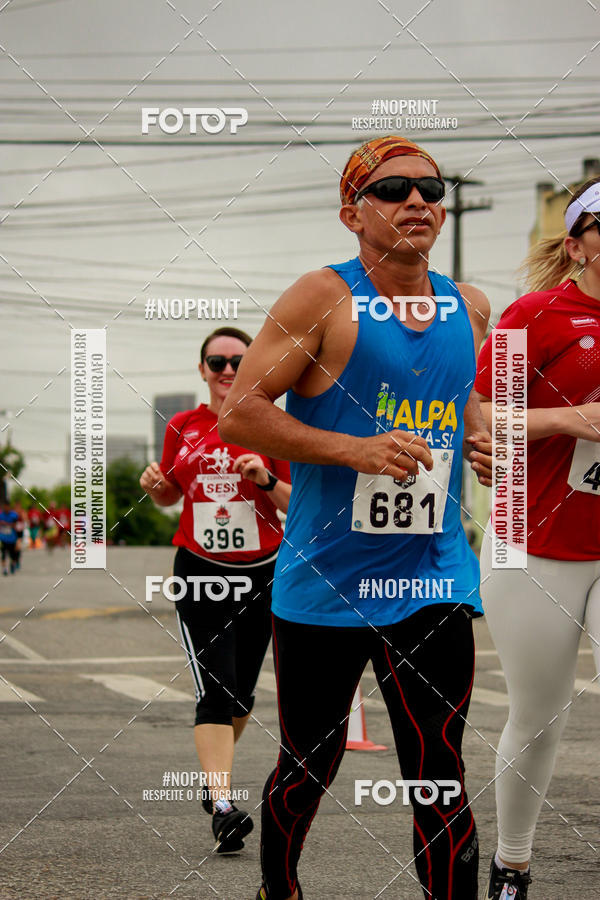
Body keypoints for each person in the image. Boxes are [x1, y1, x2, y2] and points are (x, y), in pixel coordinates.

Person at [219, 136, 492, 900]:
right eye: (394, 189)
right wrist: (353, 449)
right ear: (352, 212)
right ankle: (283, 890)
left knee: (440, 766)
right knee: (309, 762)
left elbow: (463, 407)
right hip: (326, 580)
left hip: (433, 576)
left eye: (431, 191)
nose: (418, 202)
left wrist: (483, 444)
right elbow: (239, 416)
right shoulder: (322, 296)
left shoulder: (469, 304)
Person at [474, 178, 600, 899]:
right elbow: (487, 422)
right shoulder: (536, 314)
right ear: (578, 242)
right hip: (534, 542)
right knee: (538, 717)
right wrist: (570, 421)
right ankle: (512, 867)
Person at [140, 326, 291, 855]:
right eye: (216, 361)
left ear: (254, 367)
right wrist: (156, 486)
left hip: (264, 572)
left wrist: (267, 480)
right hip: (199, 570)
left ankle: (212, 780)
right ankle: (224, 807)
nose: (227, 370)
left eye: (237, 361)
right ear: (202, 369)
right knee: (217, 690)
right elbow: (168, 496)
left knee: (242, 695)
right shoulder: (183, 425)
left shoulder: (273, 423)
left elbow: (299, 505)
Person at [0, 501, 20, 575]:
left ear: (9, 507)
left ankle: (12, 564)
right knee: (3, 554)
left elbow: (15, 525)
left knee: (13, 555)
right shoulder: (1, 515)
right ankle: (4, 569)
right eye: (4, 507)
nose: (6, 508)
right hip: (3, 538)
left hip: (12, 538)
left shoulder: (13, 515)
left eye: (7, 506)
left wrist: (5, 524)